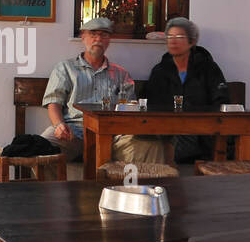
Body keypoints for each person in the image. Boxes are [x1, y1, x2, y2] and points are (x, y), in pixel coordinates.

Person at [40, 17, 163, 165]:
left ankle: (132, 188)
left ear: (108, 40)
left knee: (151, 147)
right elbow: (54, 102)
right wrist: (59, 125)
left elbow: (131, 108)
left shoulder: (121, 74)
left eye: (104, 34)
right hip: (74, 132)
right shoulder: (65, 68)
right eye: (93, 34)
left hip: (113, 134)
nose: (98, 39)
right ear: (83, 37)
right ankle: (55, 189)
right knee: (42, 147)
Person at [141, 16, 229, 163]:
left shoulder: (208, 68)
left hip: (202, 133)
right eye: (170, 36)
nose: (174, 41)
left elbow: (222, 100)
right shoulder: (160, 70)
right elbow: (148, 104)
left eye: (180, 36)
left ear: (192, 41)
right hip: (167, 132)